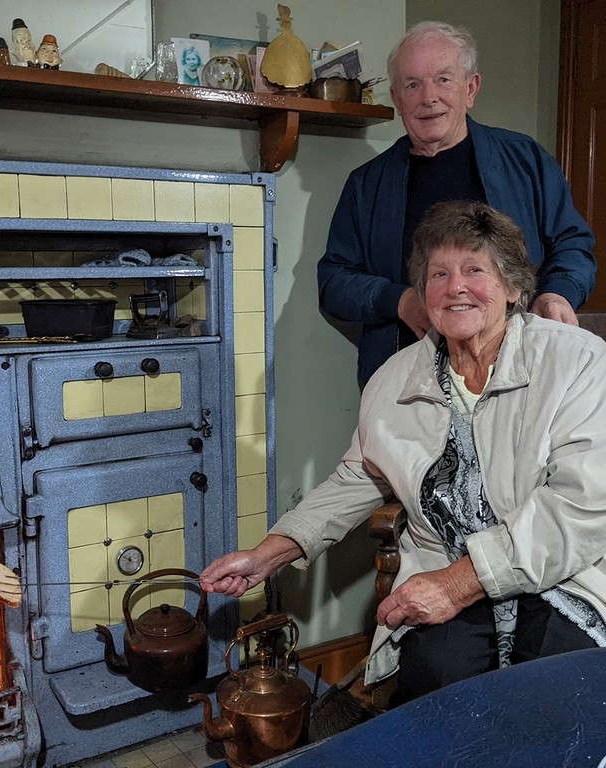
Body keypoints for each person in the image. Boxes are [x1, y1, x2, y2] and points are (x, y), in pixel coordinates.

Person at [201, 200, 606, 704]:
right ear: (422, 293)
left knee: (554, 684)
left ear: (514, 287)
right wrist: (269, 554)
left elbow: (581, 505)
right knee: (435, 679)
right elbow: (358, 477)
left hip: (562, 573)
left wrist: (460, 584)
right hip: (443, 565)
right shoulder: (394, 378)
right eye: (439, 274)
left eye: (475, 269)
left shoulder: (578, 362)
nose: (455, 286)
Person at [317, 21, 596, 388]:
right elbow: (333, 281)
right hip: (408, 380)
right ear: (397, 99)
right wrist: (399, 301)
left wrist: (558, 291)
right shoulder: (366, 185)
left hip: (522, 374)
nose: (428, 97)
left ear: (471, 88)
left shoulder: (526, 160)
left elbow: (573, 244)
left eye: (443, 80)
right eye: (412, 84)